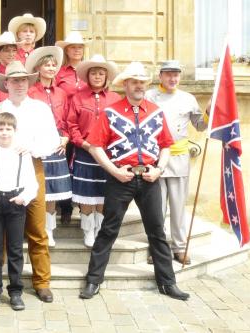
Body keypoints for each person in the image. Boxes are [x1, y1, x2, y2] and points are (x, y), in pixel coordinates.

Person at [79, 62, 190, 301]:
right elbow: (95, 146)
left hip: (150, 178)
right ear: (125, 85)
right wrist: (113, 171)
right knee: (108, 230)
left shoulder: (156, 111)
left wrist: (159, 169)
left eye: (142, 82)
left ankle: (167, 283)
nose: (139, 86)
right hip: (121, 177)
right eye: (134, 81)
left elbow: (166, 146)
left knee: (157, 232)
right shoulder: (111, 112)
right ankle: (93, 280)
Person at [0, 61, 60, 303]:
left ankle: (42, 281)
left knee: (37, 228)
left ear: (29, 82)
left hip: (32, 167)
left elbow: (52, 141)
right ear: (6, 83)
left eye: (23, 80)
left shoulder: (40, 109)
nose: (19, 84)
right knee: (0, 233)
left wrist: (32, 148)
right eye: (14, 80)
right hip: (0, 171)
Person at [145, 60, 207, 265]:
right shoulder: (149, 96)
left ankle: (180, 247)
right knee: (157, 208)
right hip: (155, 158)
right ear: (160, 75)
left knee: (178, 207)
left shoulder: (188, 98)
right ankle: (156, 248)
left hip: (179, 158)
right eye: (169, 74)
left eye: (176, 75)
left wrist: (209, 112)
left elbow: (199, 126)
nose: (173, 78)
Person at [0, 112, 38, 311]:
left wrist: (25, 197)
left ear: (14, 130)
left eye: (8, 129)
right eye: (0, 129)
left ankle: (15, 291)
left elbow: (32, 180)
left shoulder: (23, 152)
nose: (4, 133)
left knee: (15, 249)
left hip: (16, 201)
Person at [67, 55, 122, 247]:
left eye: (101, 73)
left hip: (107, 153)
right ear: (87, 76)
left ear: (106, 77)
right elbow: (71, 124)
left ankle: (99, 228)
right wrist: (83, 144)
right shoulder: (77, 98)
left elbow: (120, 125)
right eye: (93, 73)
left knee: (103, 192)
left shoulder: (116, 99)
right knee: (87, 192)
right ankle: (88, 230)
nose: (97, 76)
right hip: (85, 151)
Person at [25, 46, 71, 247]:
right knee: (39, 188)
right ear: (38, 68)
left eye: (54, 65)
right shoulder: (31, 92)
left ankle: (50, 230)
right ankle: (37, 228)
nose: (51, 68)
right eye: (47, 65)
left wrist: (66, 138)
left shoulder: (61, 93)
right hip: (38, 144)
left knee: (52, 190)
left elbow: (68, 119)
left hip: (58, 144)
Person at [54, 31, 89, 225]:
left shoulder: (90, 71)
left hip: (84, 124)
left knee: (83, 166)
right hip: (64, 125)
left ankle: (83, 203)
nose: (77, 50)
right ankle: (65, 206)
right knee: (65, 165)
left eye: (80, 47)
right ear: (66, 50)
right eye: (73, 47)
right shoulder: (60, 72)